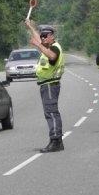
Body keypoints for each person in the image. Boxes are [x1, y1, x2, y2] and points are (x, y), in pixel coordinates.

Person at [25, 20, 65, 152]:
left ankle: (55, 141)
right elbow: (37, 38)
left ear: (51, 36)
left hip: (50, 85)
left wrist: (38, 45)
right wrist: (31, 27)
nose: (42, 38)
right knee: (51, 112)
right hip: (46, 84)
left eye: (44, 36)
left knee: (51, 113)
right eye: (41, 36)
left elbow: (52, 56)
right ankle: (57, 141)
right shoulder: (47, 45)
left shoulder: (54, 48)